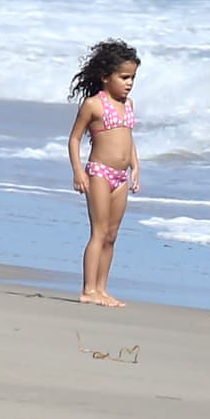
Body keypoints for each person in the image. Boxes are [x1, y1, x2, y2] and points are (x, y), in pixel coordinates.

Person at [67, 39, 142, 308]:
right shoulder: (93, 105)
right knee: (98, 232)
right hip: (99, 173)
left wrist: (135, 166)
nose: (129, 83)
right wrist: (79, 172)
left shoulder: (128, 104)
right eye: (123, 77)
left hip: (121, 178)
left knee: (112, 235)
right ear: (105, 77)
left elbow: (128, 139)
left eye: (132, 77)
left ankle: (102, 288)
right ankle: (88, 289)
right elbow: (74, 139)